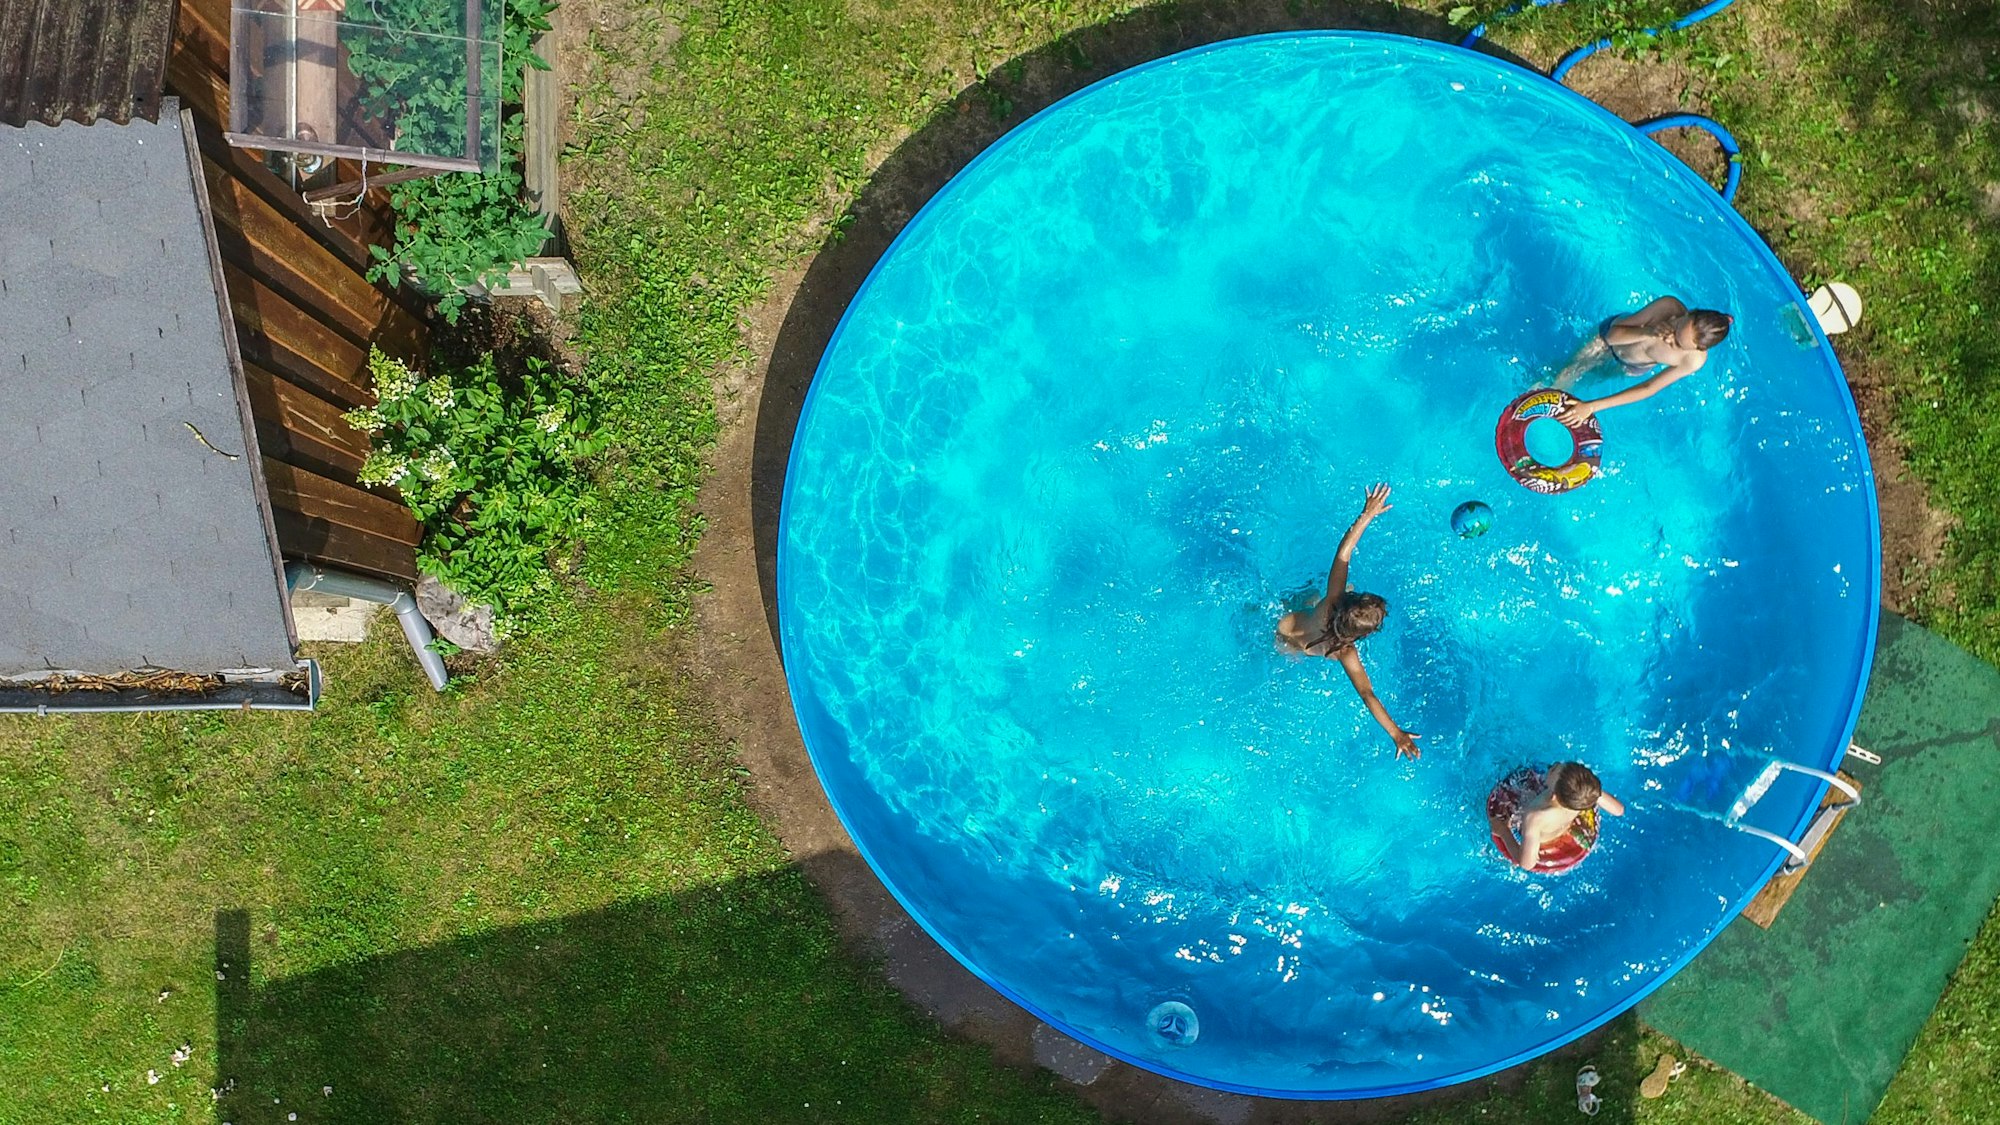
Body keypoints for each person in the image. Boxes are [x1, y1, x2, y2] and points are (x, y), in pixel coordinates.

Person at [1275, 483, 1421, 759]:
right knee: (1308, 613)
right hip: (1296, 651)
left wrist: (1367, 514)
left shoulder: (1332, 600)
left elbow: (1344, 553)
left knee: (1322, 591)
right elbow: (1367, 694)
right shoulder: (1345, 652)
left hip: (1282, 624)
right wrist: (1396, 734)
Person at [1551, 296, 1732, 424]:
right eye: (1676, 326)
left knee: (1592, 378)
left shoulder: (1693, 361)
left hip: (1632, 365)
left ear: (1698, 349)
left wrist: (1591, 407)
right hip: (1608, 339)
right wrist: (1648, 332)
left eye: (1678, 343)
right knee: (1570, 372)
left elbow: (1648, 388)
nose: (1669, 338)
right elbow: (1612, 337)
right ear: (1688, 313)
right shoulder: (1668, 307)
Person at [1487, 762, 1626, 870]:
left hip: (1543, 838)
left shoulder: (1535, 816)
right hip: (1561, 825)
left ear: (1554, 796)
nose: (1556, 764)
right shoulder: (1585, 792)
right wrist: (1595, 793)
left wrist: (1503, 831)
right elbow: (1619, 810)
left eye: (1554, 770)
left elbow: (1526, 864)